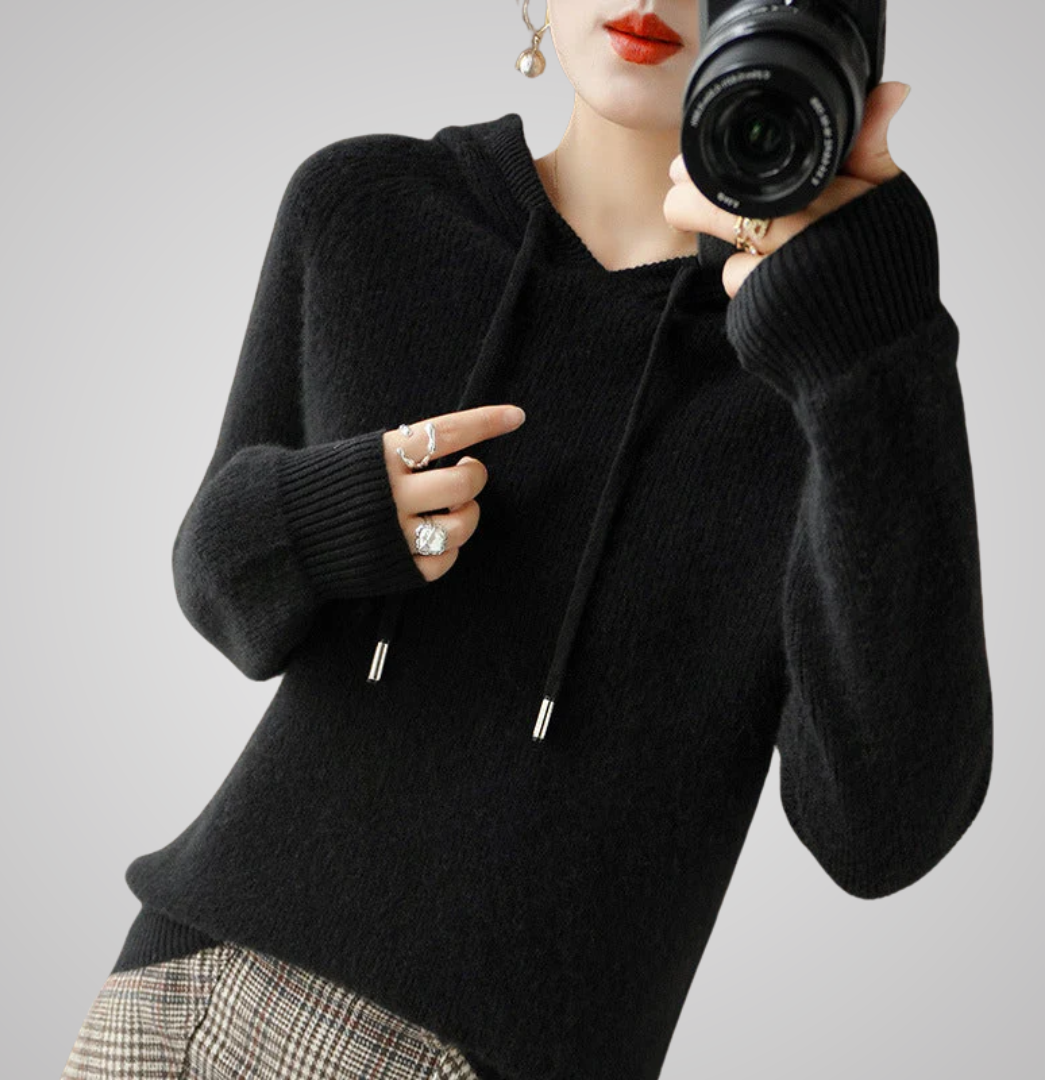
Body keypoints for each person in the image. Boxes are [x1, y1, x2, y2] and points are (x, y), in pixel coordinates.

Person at [61, 3, 994, 1079]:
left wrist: (870, 354)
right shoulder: (368, 207)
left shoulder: (830, 360)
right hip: (202, 987)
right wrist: (341, 511)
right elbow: (218, 584)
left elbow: (883, 828)